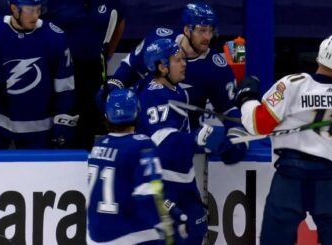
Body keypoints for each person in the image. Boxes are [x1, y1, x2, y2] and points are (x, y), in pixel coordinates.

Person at [98, 2, 249, 219]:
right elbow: (125, 72)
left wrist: (236, 137)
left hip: (182, 150)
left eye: (211, 30)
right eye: (201, 30)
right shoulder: (157, 43)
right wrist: (112, 91)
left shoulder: (216, 67)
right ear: (187, 29)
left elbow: (230, 110)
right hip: (144, 146)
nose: (207, 37)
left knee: (190, 224)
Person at [235, 34, 332, 244]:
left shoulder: (293, 83)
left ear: (319, 54)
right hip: (330, 180)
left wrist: (246, 99)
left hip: (291, 177)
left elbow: (259, 124)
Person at [137, 38, 231, 245]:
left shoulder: (177, 90)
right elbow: (167, 145)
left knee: (196, 230)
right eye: (178, 60)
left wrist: (205, 138)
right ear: (162, 67)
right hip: (163, 183)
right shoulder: (153, 97)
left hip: (184, 179)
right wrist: (198, 137)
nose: (184, 63)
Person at [0, 0, 78, 149]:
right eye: (30, 10)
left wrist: (63, 119)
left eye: (38, 9)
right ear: (14, 9)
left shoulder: (55, 37)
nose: (36, 15)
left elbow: (65, 85)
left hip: (39, 129)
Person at [42, 0, 125, 150]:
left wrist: (106, 53)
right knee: (64, 122)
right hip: (62, 71)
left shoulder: (112, 2)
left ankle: (89, 166)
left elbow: (119, 22)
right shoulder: (52, 4)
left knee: (92, 123)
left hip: (95, 70)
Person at [87, 88, 166, 245]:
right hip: (126, 235)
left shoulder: (97, 147)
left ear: (107, 116)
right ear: (137, 112)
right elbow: (148, 196)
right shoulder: (142, 145)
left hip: (95, 236)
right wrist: (165, 224)